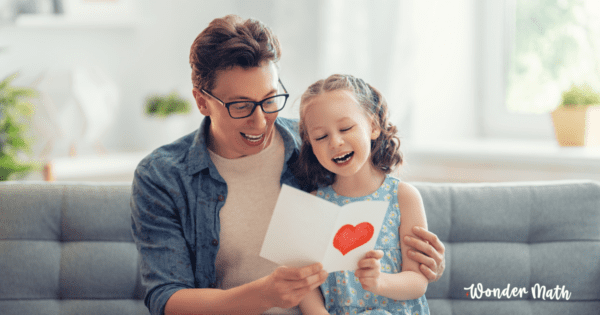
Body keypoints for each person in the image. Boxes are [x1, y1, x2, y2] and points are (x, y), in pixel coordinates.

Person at [130, 14, 445, 315]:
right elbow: (167, 299)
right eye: (241, 106)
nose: (260, 121)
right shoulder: (163, 175)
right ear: (202, 102)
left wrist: (420, 262)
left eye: (270, 99)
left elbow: (376, 200)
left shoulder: (313, 144)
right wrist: (263, 295)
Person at [294, 74, 429, 315]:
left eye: (345, 128)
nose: (335, 142)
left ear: (373, 126)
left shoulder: (403, 197)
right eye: (321, 137)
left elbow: (418, 281)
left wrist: (381, 282)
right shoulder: (313, 205)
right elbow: (307, 288)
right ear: (310, 145)